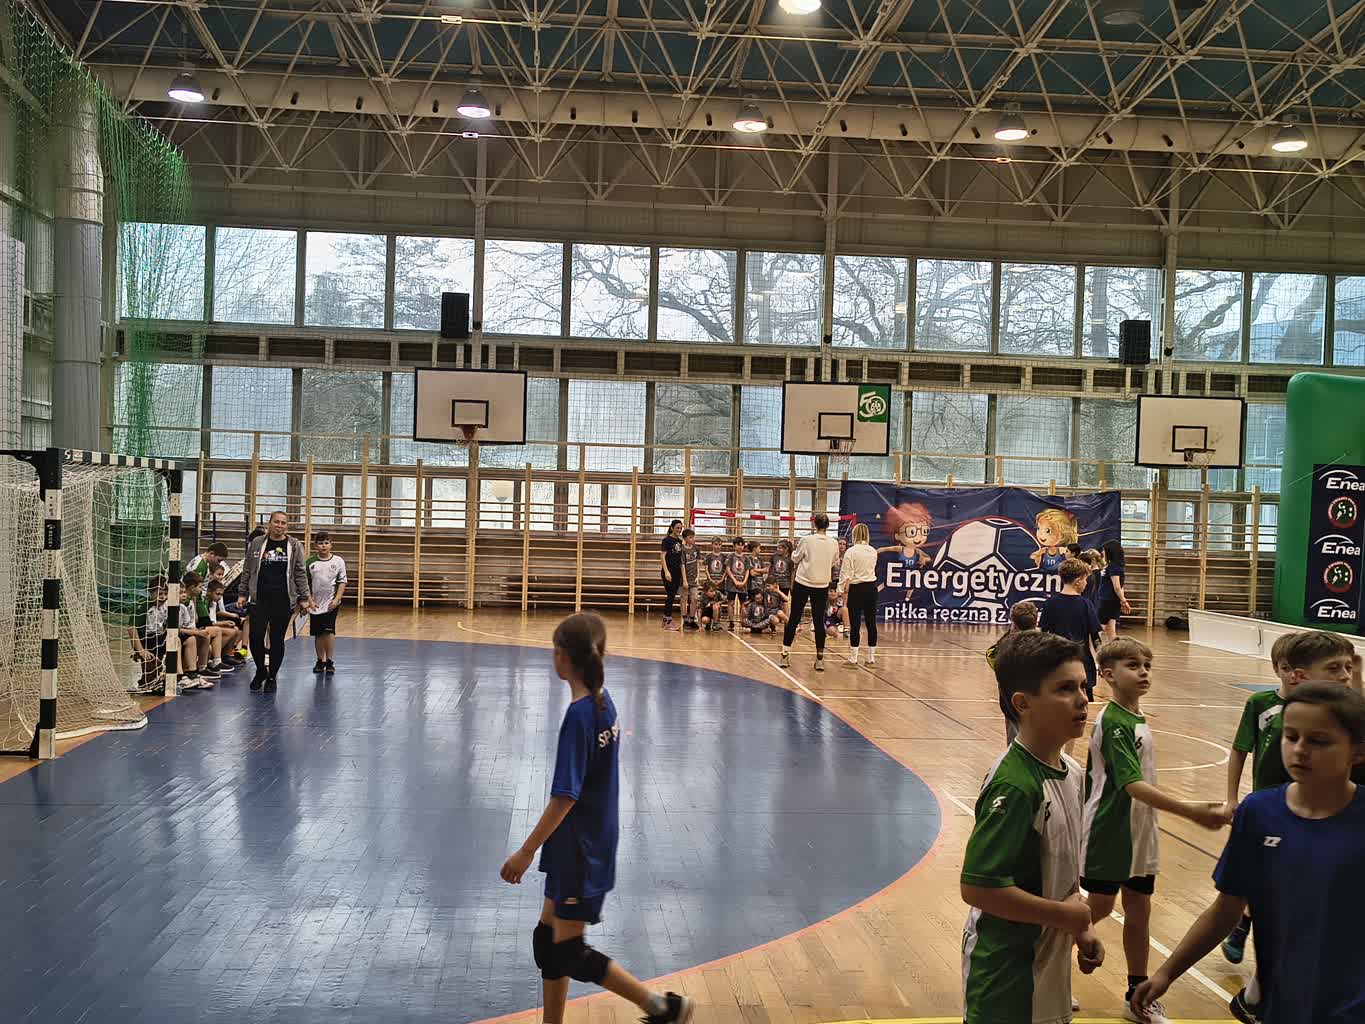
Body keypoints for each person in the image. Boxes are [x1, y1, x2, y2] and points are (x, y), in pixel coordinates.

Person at [499, 613, 693, 1024]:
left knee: (568, 950)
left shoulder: (581, 716)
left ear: (563, 657)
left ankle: (662, 1007)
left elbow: (565, 797)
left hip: (580, 848)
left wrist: (526, 851)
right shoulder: (604, 701)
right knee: (547, 942)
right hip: (582, 841)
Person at [1132, 684, 1365, 1024]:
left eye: (1319, 741)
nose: (1300, 750)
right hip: (1282, 1004)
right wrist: (1167, 973)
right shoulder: (1259, 812)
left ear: (1357, 751)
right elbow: (1226, 909)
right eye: (1291, 736)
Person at [1081, 638, 1228, 1024]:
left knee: (1139, 909)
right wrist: (1191, 811)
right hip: (1110, 830)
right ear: (1108, 674)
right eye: (1133, 666)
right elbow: (1131, 785)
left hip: (1140, 830)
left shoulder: (1136, 717)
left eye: (1147, 665)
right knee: (1098, 908)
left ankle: (1136, 994)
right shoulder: (1114, 722)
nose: (1144, 672)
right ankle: (1038, 962)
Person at [961, 630, 1103, 1022]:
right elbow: (979, 887)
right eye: (1065, 689)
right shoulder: (1015, 785)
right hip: (1007, 978)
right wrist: (1066, 916)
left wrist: (1080, 928)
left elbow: (1058, 874)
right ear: (1023, 703)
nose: (1083, 699)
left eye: (1083, 686)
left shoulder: (1072, 773)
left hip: (1049, 972)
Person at [1218, 628, 1354, 1017]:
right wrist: (1232, 797)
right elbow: (1240, 750)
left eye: (1349, 668)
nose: (1345, 675)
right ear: (1293, 673)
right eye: (1335, 668)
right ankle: (1257, 977)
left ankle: (1259, 983)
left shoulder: (1346, 724)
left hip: (1323, 822)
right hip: (1276, 816)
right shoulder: (1265, 707)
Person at [239, 511, 310, 693]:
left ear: (287, 526)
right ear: (269, 523)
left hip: (283, 599)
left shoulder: (294, 545)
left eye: (283, 523)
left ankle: (272, 676)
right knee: (255, 636)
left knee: (277, 639)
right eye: (276, 522)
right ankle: (261, 670)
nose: (280, 525)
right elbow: (247, 569)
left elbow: (300, 572)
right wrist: (242, 593)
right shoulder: (257, 543)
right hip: (259, 598)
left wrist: (304, 597)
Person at [781, 514, 841, 672]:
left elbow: (795, 558)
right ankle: (819, 659)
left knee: (794, 619)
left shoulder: (806, 540)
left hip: (803, 583)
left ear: (815, 524)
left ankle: (784, 655)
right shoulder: (834, 543)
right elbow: (834, 561)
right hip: (821, 585)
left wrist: (795, 551)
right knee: (819, 621)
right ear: (827, 526)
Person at [1039, 558, 1101, 701]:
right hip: (1082, 663)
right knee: (1085, 701)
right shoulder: (1086, 605)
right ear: (1078, 581)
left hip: (1056, 663)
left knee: (1058, 699)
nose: (1086, 584)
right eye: (1085, 580)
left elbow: (1042, 636)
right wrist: (1102, 661)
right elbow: (1095, 638)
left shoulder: (1050, 604)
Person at [986, 601, 1041, 743]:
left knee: (1015, 740)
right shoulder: (1043, 644)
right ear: (1036, 621)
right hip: (1036, 699)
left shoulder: (1005, 646)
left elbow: (994, 661)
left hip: (1011, 702)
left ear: (1014, 623)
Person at [307, 532, 348, 674]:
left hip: (331, 603)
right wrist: (309, 600)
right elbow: (305, 584)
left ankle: (330, 661)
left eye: (326, 543)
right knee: (318, 633)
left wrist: (337, 599)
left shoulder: (338, 561)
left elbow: (342, 581)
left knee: (329, 631)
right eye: (320, 543)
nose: (323, 546)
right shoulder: (310, 563)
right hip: (315, 604)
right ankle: (320, 660)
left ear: (331, 545)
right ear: (315, 545)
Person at [838, 522, 878, 668]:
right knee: (871, 623)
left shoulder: (851, 551)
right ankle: (871, 658)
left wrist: (840, 590)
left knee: (855, 624)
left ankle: (853, 659)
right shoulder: (873, 551)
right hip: (871, 588)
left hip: (857, 589)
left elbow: (845, 574)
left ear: (854, 535)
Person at [126, 576, 170, 694]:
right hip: (146, 641)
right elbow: (131, 628)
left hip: (160, 639)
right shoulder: (143, 605)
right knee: (150, 677)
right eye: (160, 594)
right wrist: (140, 650)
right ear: (151, 592)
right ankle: (145, 683)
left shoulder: (167, 606)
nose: (163, 597)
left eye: (165, 594)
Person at [176, 572, 218, 690]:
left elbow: (187, 625)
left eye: (184, 592)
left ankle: (193, 673)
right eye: (181, 593)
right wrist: (196, 632)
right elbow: (176, 630)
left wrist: (196, 631)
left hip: (183, 633)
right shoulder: (173, 607)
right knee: (192, 638)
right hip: (170, 636)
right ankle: (181, 676)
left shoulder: (184, 605)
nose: (184, 595)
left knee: (200, 636)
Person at [204, 579, 245, 672]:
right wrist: (223, 623)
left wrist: (225, 623)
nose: (219, 597)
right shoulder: (204, 602)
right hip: (205, 627)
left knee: (235, 629)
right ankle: (214, 657)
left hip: (210, 625)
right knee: (229, 632)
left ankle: (225, 655)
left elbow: (212, 621)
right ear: (209, 592)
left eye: (221, 595)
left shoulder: (213, 602)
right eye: (217, 594)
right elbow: (208, 623)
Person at [1098, 540, 1131, 641]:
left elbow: (1117, 587)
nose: (1102, 552)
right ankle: (1115, 647)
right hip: (1111, 600)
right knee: (1111, 630)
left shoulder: (1114, 566)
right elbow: (1120, 586)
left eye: (1104, 550)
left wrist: (1123, 601)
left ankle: (1092, 647)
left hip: (1108, 600)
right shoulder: (1113, 566)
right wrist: (1122, 600)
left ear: (1110, 552)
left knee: (1099, 627)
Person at [658, 519, 683, 631]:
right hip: (669, 572)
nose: (679, 530)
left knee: (672, 596)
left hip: (677, 572)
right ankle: (668, 620)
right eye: (677, 528)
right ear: (672, 528)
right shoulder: (667, 540)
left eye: (680, 528)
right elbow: (662, 556)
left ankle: (665, 620)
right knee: (671, 595)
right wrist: (666, 571)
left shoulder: (680, 541)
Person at [723, 536, 750, 631]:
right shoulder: (730, 556)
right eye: (738, 545)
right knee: (731, 603)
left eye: (742, 545)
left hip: (743, 585)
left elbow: (747, 571)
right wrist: (735, 581)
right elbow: (727, 569)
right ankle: (731, 622)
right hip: (732, 584)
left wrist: (744, 581)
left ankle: (743, 622)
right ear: (734, 546)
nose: (740, 547)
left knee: (743, 604)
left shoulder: (746, 558)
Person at [679, 528, 700, 631]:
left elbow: (698, 563)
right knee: (684, 598)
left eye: (693, 537)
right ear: (685, 539)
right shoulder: (682, 550)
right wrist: (684, 580)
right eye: (690, 537)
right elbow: (682, 565)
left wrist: (698, 576)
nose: (693, 539)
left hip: (693, 578)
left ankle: (692, 619)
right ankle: (685, 620)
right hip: (684, 578)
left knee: (695, 598)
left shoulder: (696, 549)